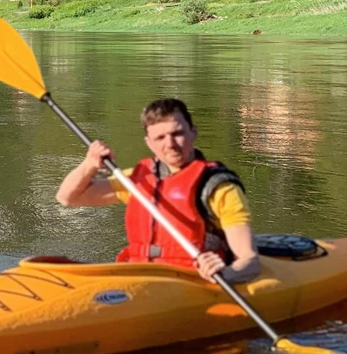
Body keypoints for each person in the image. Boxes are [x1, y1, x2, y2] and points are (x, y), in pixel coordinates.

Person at [56, 97, 260, 285]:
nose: (170, 144)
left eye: (177, 134)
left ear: (193, 132)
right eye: (160, 137)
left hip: (191, 281)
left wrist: (226, 274)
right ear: (149, 143)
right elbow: (68, 198)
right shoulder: (139, 180)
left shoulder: (218, 187)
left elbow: (249, 260)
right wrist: (89, 165)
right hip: (137, 276)